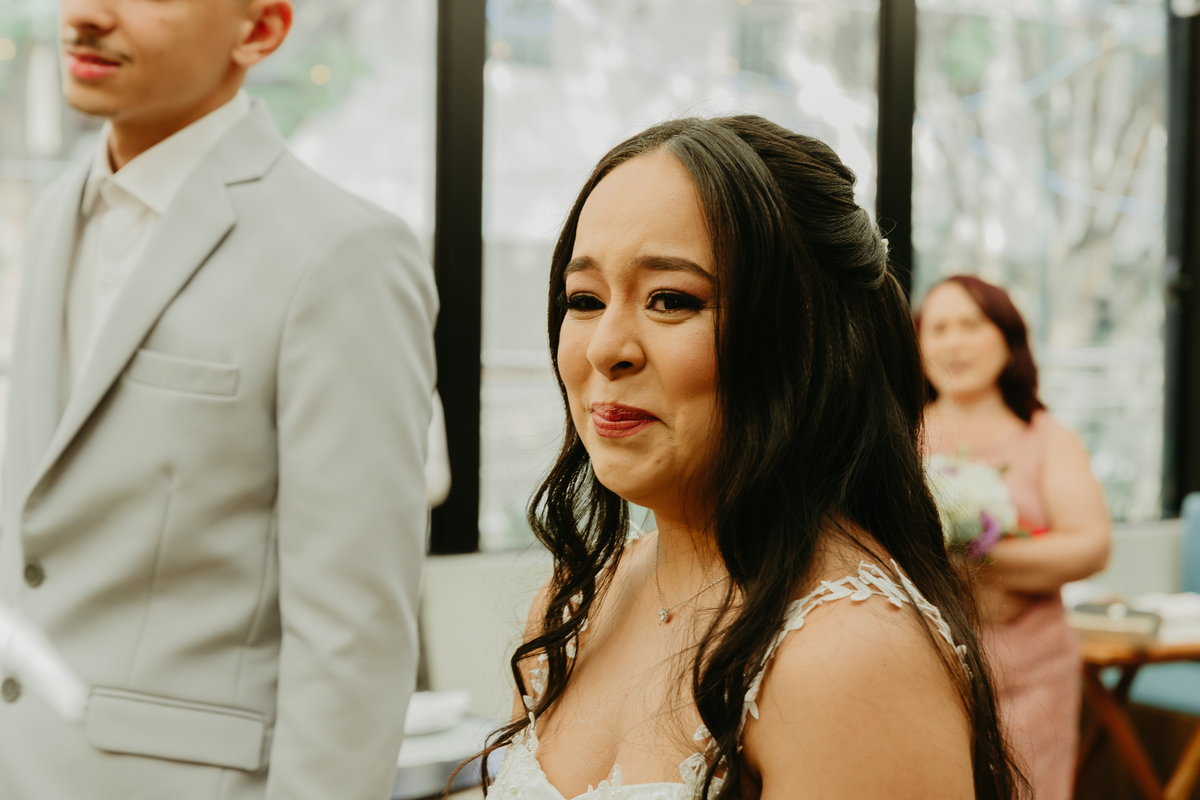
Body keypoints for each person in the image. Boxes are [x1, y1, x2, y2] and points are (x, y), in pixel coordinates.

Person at [469, 116, 1025, 799]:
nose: (605, 348)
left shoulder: (848, 656)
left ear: (802, 339)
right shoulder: (573, 607)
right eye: (584, 300)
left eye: (670, 300)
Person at [0, 1, 437, 798]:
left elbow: (354, 635)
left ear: (259, 30)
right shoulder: (57, 207)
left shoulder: (343, 254)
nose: (87, 15)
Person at [917, 275, 1111, 800]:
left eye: (971, 325)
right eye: (938, 328)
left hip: (1030, 674)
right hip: (921, 666)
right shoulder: (897, 435)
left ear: (1008, 339)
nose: (954, 343)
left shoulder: (1047, 438)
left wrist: (982, 558)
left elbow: (1091, 545)